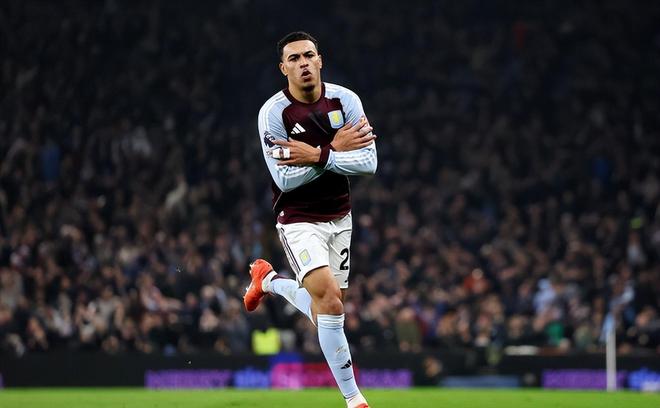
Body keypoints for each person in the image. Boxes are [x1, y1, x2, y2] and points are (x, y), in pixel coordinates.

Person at [244, 31, 377, 408]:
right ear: (283, 68)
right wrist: (335, 149)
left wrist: (317, 155)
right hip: (298, 218)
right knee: (330, 304)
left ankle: (268, 281)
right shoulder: (274, 113)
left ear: (320, 60)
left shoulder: (345, 100)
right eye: (294, 58)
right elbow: (284, 178)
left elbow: (368, 162)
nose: (303, 63)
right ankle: (355, 400)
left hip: (340, 216)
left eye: (308, 55)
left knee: (326, 313)